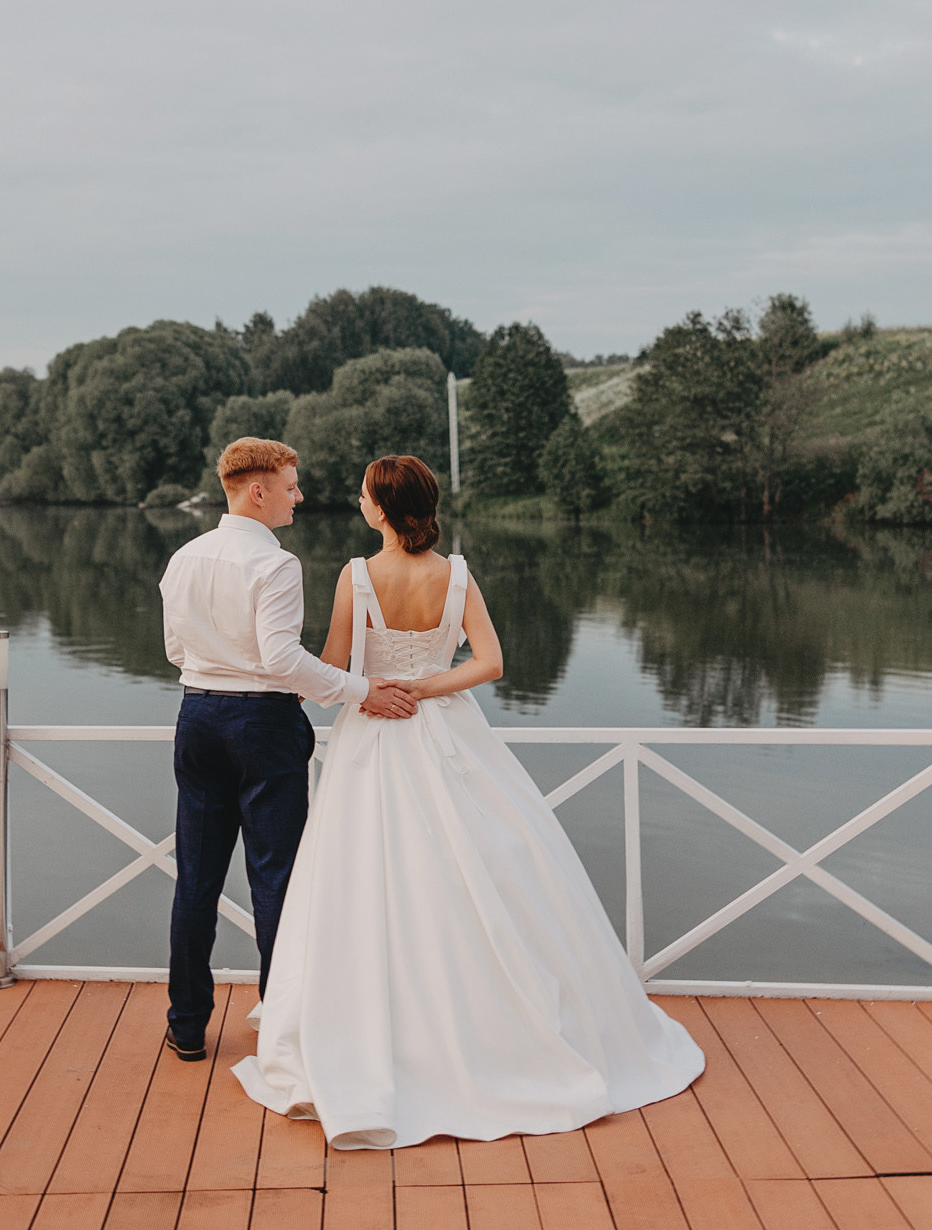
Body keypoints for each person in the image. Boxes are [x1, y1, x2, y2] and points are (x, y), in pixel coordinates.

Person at [234, 454, 704, 1148]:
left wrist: (377, 687)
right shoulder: (456, 574)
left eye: (364, 495)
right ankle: (500, 1025)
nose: (358, 502)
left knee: (368, 877)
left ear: (383, 510)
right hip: (449, 728)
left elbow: (331, 668)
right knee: (489, 865)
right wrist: (429, 685)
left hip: (374, 731)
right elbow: (491, 663)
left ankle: (378, 1027)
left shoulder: (356, 576)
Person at [158, 436, 419, 1062]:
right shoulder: (277, 565)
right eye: (291, 484)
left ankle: (187, 1026)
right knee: (276, 879)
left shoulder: (184, 557)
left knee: (196, 877)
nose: (298, 496)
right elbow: (280, 658)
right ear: (258, 490)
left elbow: (174, 651)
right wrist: (361, 691)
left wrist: (219, 672)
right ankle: (279, 1028)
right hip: (261, 727)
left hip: (196, 716)